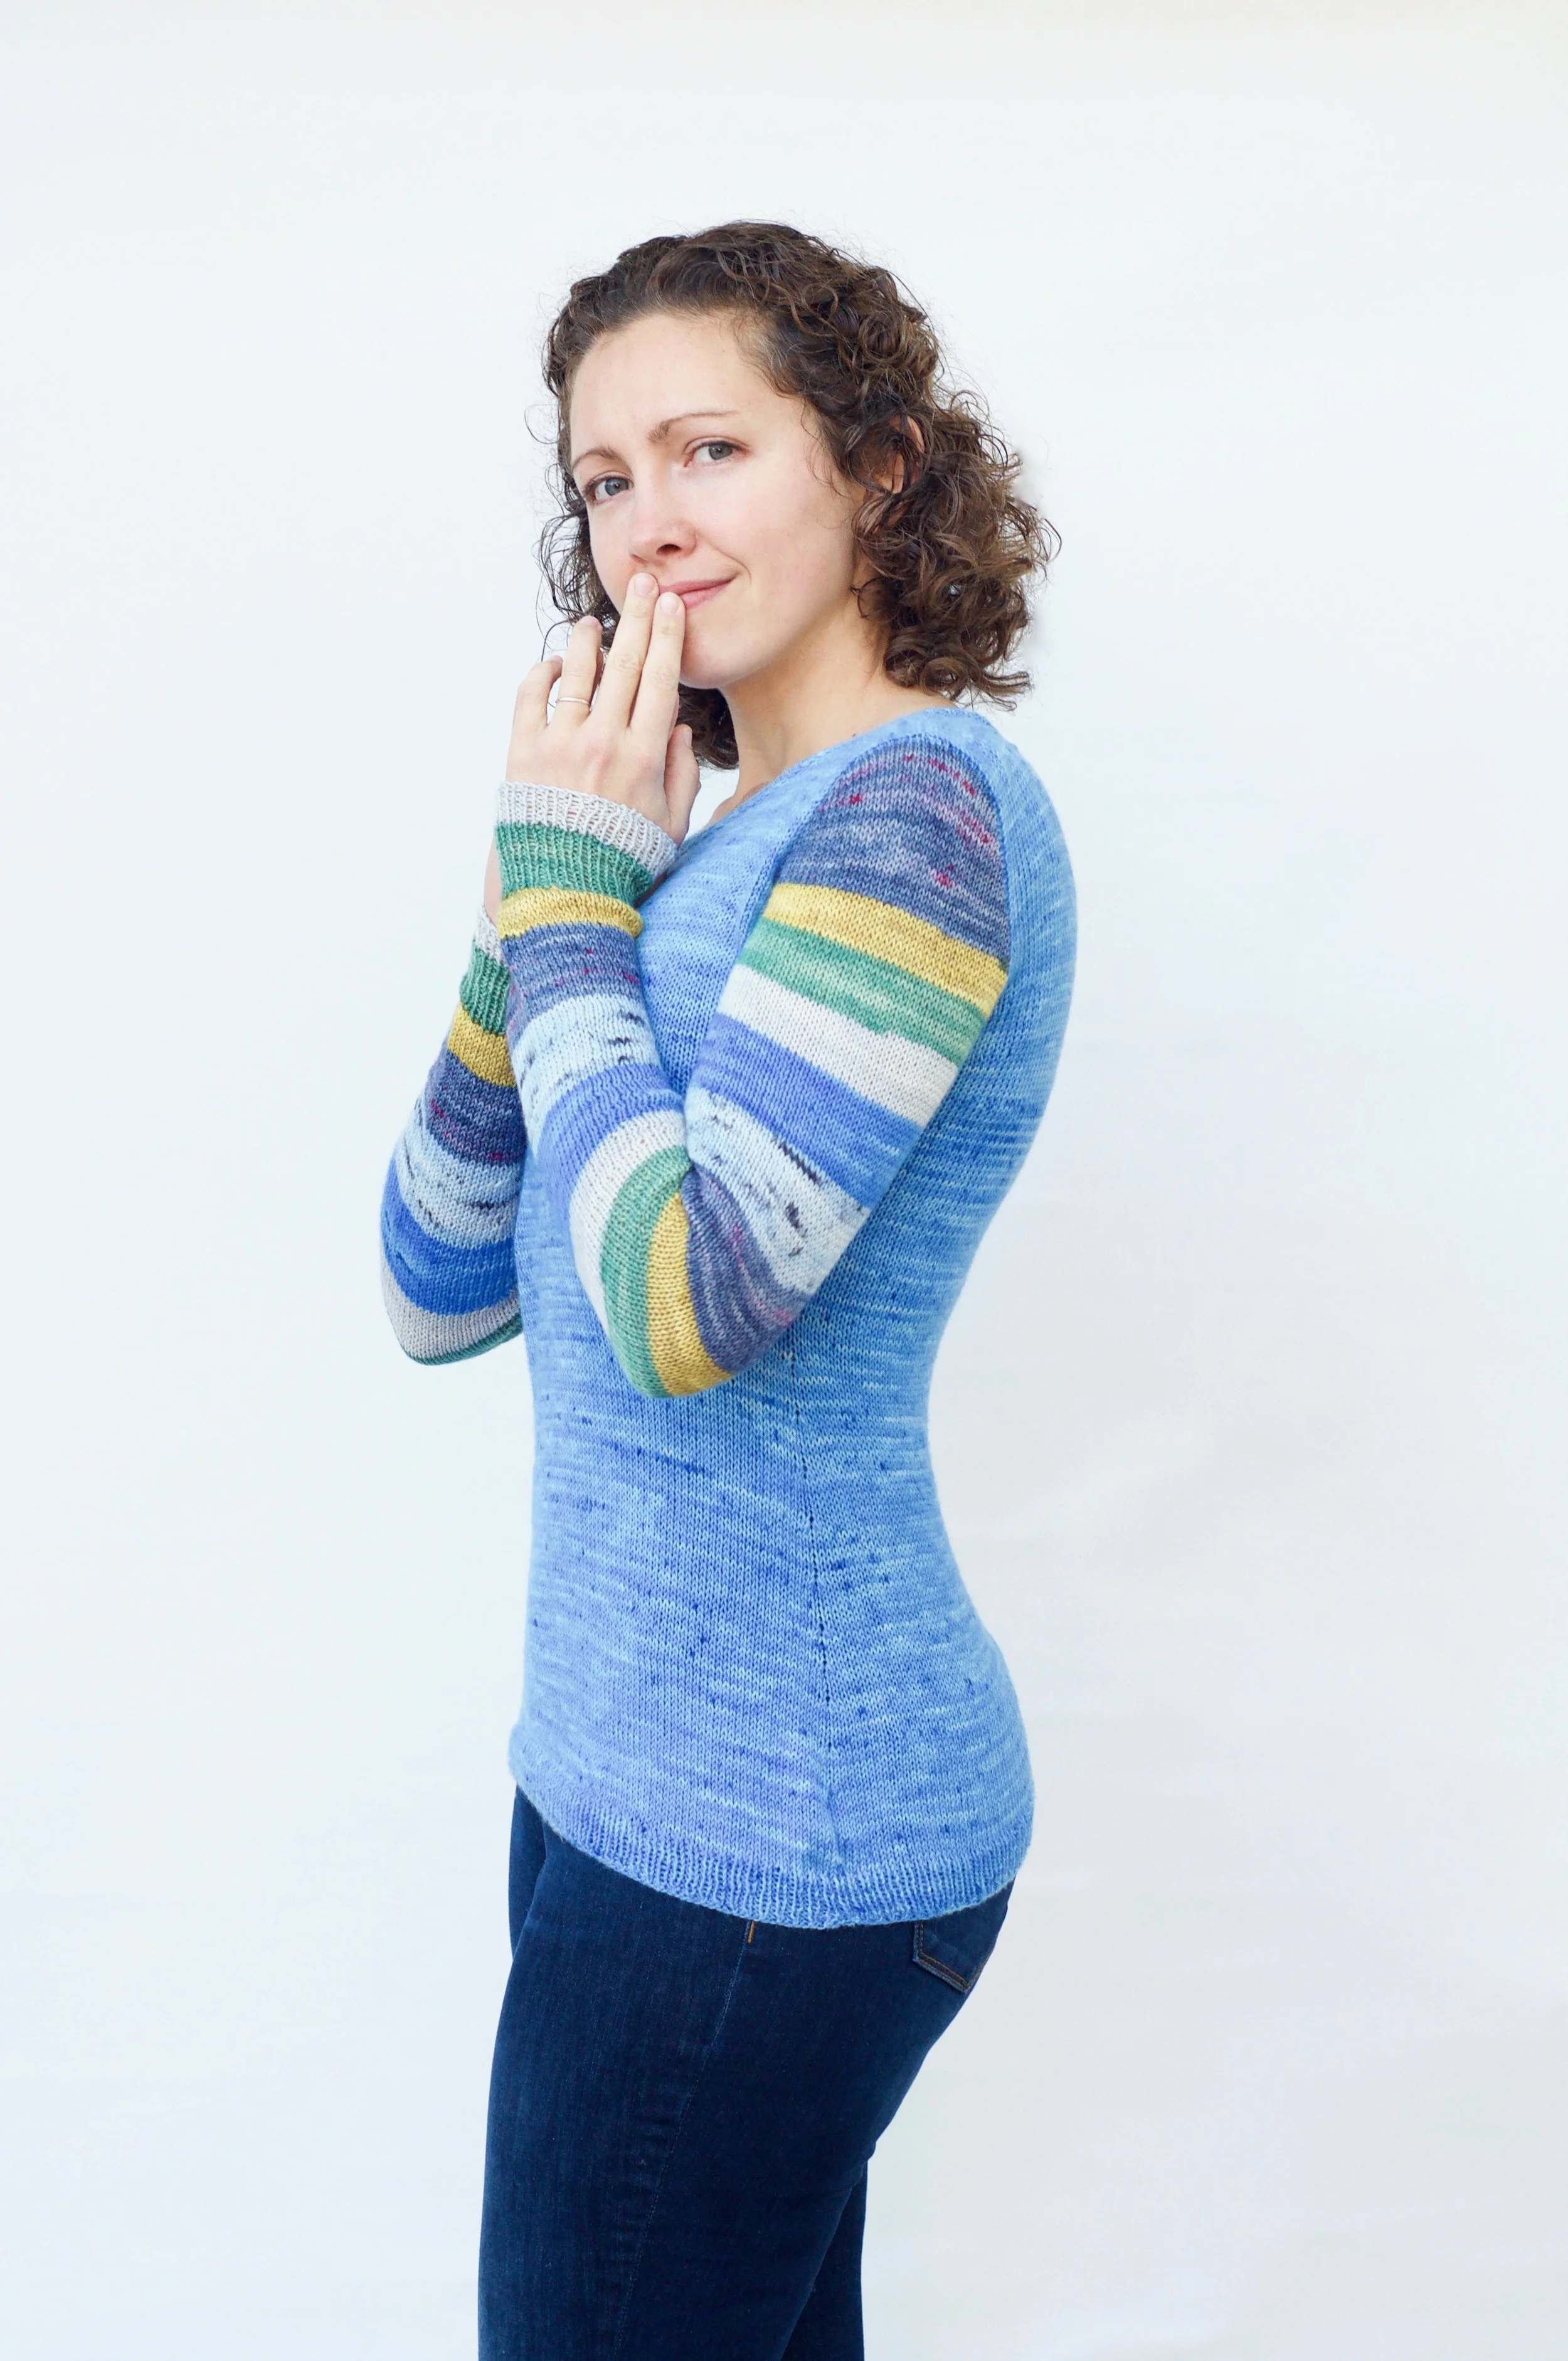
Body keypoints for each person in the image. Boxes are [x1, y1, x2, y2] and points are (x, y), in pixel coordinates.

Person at [379, 220, 1076, 2359]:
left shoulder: (918, 813)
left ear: (875, 466)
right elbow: (434, 1279)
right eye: (604, 478)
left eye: (708, 448)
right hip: (616, 1779)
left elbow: (687, 1307)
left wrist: (577, 903)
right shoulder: (703, 850)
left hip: (779, 1829)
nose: (646, 523)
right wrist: (540, 893)